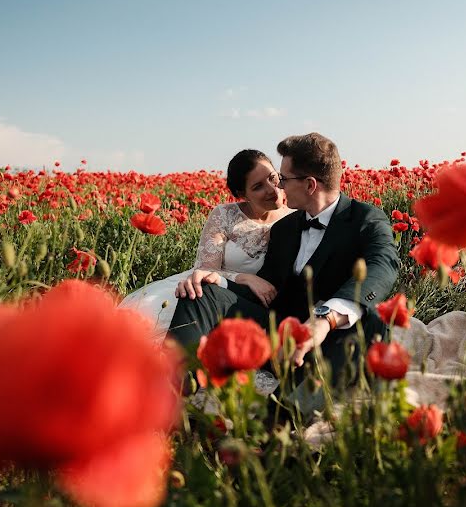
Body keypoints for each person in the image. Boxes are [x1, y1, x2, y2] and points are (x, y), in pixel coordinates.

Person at [167, 132, 399, 390]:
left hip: (328, 338)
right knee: (200, 292)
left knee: (370, 320)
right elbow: (268, 287)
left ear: (310, 185)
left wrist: (325, 320)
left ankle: (282, 417)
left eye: (283, 179)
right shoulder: (285, 227)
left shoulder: (366, 219)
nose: (279, 187)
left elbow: (383, 265)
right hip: (278, 330)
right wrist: (218, 282)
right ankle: (175, 391)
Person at [118, 149, 291, 341]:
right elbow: (205, 270)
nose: (272, 189)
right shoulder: (224, 215)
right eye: (258, 186)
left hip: (248, 306)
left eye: (272, 178)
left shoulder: (297, 217)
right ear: (243, 194)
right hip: (205, 291)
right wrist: (245, 278)